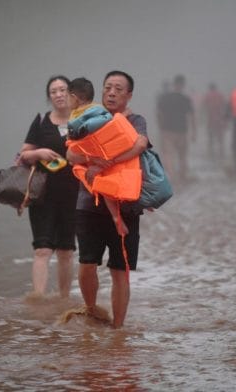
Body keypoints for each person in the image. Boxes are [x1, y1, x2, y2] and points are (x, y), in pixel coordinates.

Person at [66, 70, 149, 328]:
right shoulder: (88, 118)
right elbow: (70, 155)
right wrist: (91, 159)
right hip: (90, 203)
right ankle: (91, 310)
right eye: (108, 87)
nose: (112, 92)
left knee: (120, 269)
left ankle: (118, 329)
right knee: (87, 263)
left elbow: (140, 144)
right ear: (102, 92)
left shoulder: (135, 120)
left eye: (118, 89)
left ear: (129, 95)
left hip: (126, 204)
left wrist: (108, 162)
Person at [16, 75, 79, 299]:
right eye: (54, 91)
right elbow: (22, 155)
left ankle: (63, 300)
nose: (59, 95)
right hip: (43, 194)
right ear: (49, 97)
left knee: (66, 251)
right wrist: (38, 153)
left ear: (72, 94)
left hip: (74, 194)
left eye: (63, 90)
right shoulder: (41, 121)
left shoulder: (81, 120)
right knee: (42, 249)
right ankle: (38, 299)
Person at [65, 77, 129, 236]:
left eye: (67, 97)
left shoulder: (76, 116)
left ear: (74, 97)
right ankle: (117, 216)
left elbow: (73, 145)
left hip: (98, 155)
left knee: (102, 185)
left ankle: (115, 217)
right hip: (110, 153)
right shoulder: (99, 109)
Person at [156, 74, 197, 183]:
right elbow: (191, 116)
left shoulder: (164, 98)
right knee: (182, 155)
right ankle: (182, 175)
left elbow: (159, 114)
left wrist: (160, 127)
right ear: (183, 85)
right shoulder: (185, 99)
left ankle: (172, 176)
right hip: (181, 131)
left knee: (169, 154)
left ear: (173, 84)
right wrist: (194, 132)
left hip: (167, 130)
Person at [202, 82, 227, 161]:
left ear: (210, 88)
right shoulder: (220, 95)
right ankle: (221, 153)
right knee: (220, 138)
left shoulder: (208, 96)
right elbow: (225, 106)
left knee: (211, 137)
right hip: (219, 119)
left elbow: (203, 107)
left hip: (211, 119)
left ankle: (211, 153)